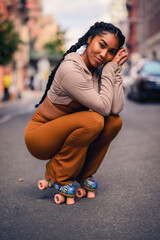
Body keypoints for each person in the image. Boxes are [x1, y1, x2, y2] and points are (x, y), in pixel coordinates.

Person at [24, 22, 128, 204]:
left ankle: (84, 173)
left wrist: (115, 71)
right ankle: (58, 174)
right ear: (90, 39)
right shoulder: (70, 69)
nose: (104, 54)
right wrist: (110, 69)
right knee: (94, 120)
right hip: (40, 136)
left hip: (63, 134)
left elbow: (114, 109)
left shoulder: (96, 72)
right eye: (101, 45)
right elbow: (103, 108)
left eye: (111, 52)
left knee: (114, 122)